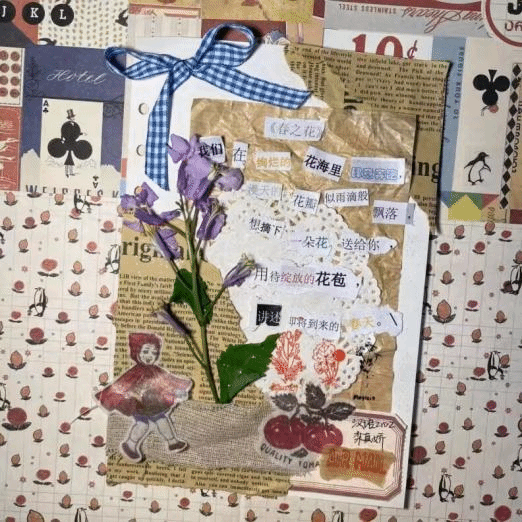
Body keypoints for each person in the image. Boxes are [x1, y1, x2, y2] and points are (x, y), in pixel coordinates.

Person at [95, 332, 192, 462]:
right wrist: (109, 397)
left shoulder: (156, 370)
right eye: (145, 351)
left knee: (162, 421)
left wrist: (178, 391)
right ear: (137, 352)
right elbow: (121, 385)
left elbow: (169, 381)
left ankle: (173, 442)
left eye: (154, 353)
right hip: (139, 406)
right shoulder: (134, 372)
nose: (149, 356)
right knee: (142, 425)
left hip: (155, 405)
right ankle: (130, 445)